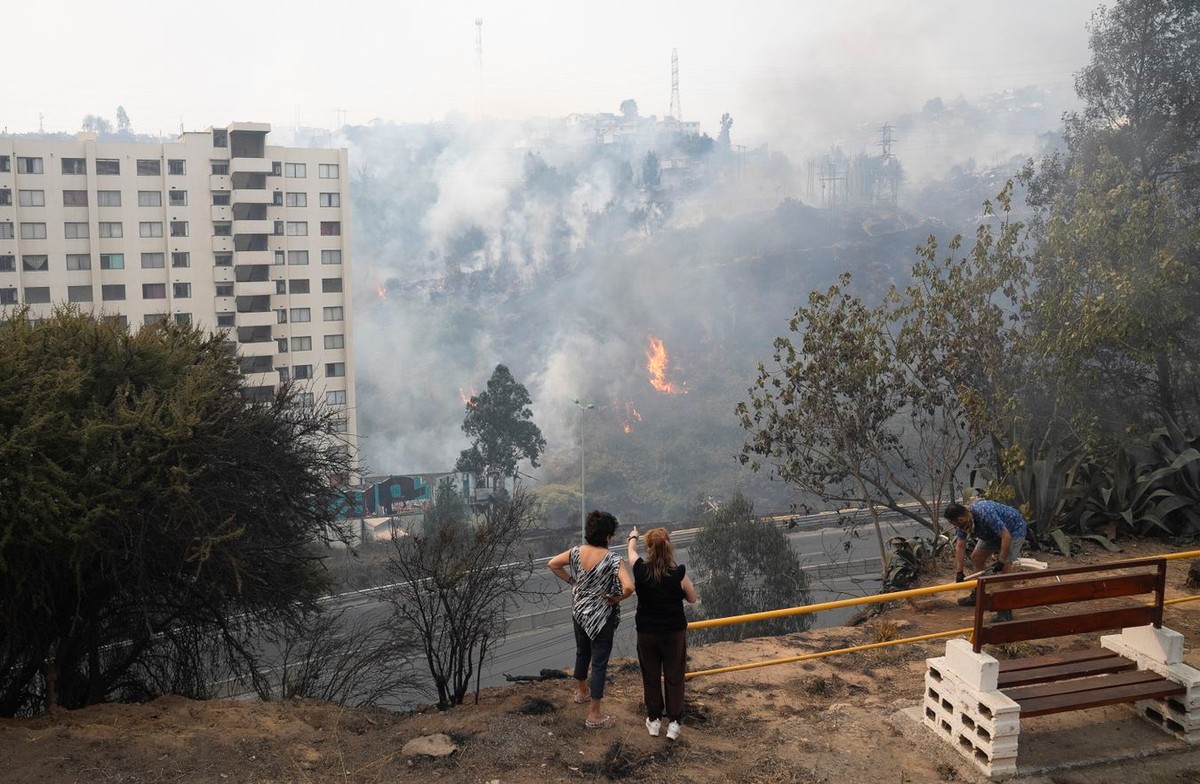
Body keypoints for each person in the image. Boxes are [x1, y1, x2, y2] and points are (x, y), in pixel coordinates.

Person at [548, 510, 634, 728]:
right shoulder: (614, 560)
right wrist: (616, 599)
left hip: (579, 612)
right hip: (601, 618)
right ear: (607, 537)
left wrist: (573, 582)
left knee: (582, 652)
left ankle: (581, 691)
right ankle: (594, 714)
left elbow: (552, 564)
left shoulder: (576, 552)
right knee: (599, 663)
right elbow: (629, 587)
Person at [627, 525, 698, 741]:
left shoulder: (640, 570)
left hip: (647, 633)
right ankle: (674, 723)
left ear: (649, 548)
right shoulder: (678, 573)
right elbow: (692, 598)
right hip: (673, 632)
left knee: (651, 675)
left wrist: (633, 537)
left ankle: (654, 720)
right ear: (668, 548)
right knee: (674, 675)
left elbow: (630, 553)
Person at [943, 499, 1029, 621]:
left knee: (1005, 568)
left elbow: (1006, 536)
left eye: (954, 524)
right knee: (977, 558)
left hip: (1013, 531)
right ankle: (979, 596)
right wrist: (959, 572)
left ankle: (1005, 608)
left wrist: (1002, 560)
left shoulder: (985, 513)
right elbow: (960, 545)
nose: (955, 526)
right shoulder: (962, 523)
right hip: (990, 534)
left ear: (960, 519)